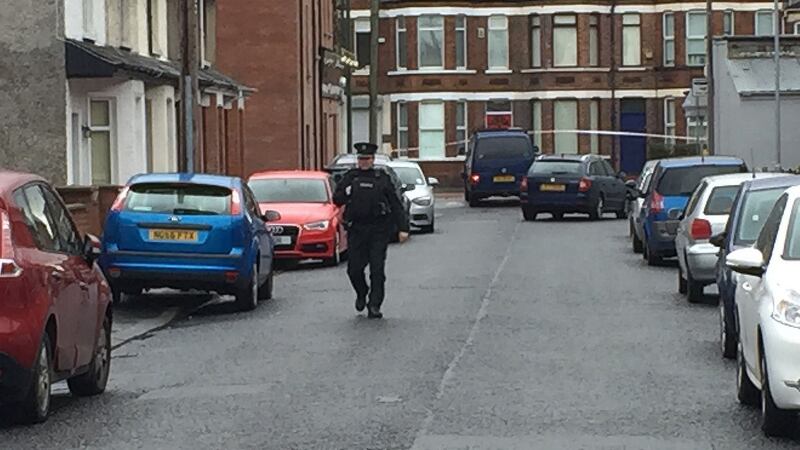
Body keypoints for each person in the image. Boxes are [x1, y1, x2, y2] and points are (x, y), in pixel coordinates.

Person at [333, 142, 409, 319]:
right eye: (361, 159)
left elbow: (395, 203)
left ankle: (374, 304)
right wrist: (346, 192)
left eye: (367, 159)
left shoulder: (381, 178)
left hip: (378, 230)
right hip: (357, 229)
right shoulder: (350, 177)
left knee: (377, 270)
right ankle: (362, 292)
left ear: (373, 160)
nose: (364, 162)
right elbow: (337, 199)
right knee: (354, 270)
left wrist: (403, 228)